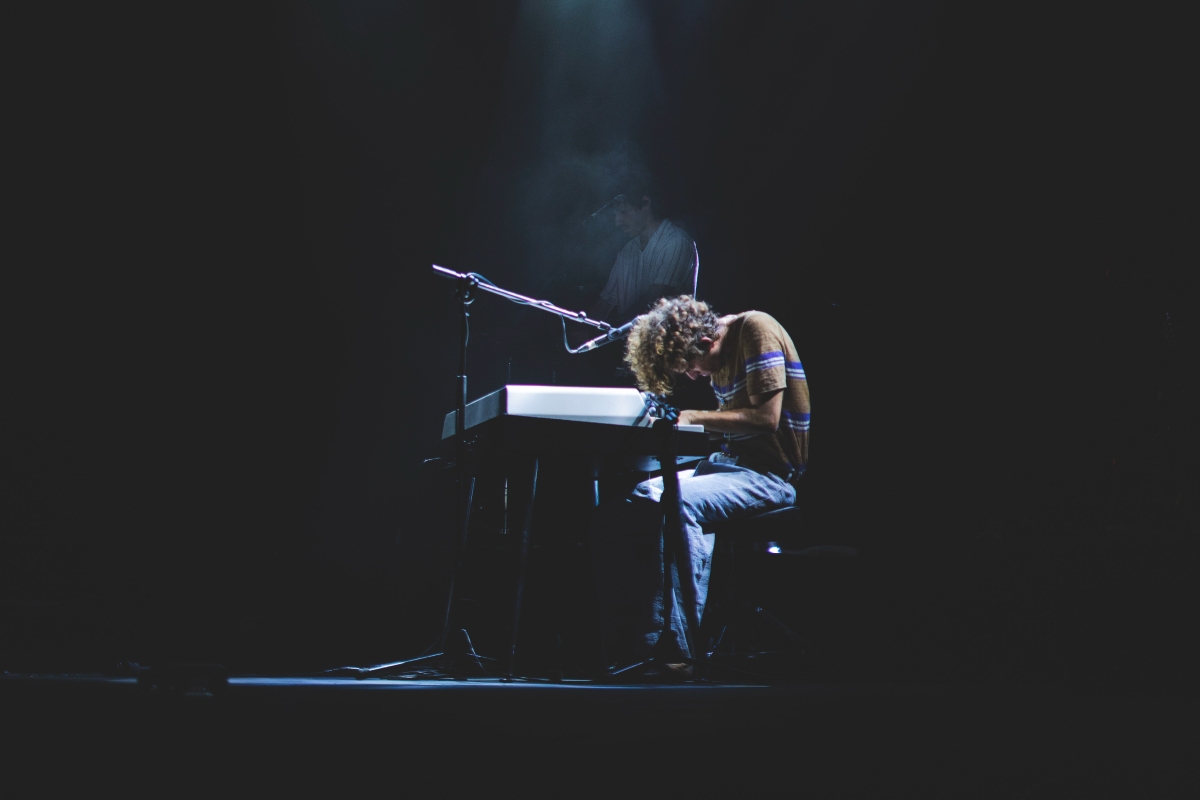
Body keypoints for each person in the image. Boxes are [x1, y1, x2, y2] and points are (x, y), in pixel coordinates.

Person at [589, 295, 811, 668]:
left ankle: (676, 648)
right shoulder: (719, 352)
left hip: (769, 476)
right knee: (619, 512)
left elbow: (766, 419)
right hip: (725, 467)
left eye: (690, 366)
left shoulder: (755, 328)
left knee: (676, 500)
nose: (694, 375)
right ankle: (629, 646)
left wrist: (690, 417)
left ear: (705, 342)